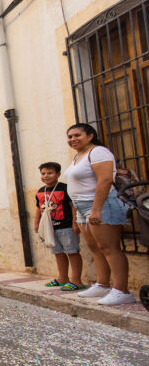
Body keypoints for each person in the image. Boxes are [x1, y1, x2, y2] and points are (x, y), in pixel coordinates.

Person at [64, 123, 133, 305]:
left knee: (109, 248)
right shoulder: (78, 156)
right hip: (82, 207)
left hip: (100, 204)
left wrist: (96, 208)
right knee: (95, 248)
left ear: (90, 136)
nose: (73, 139)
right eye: (70, 137)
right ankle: (102, 284)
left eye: (77, 135)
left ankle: (122, 290)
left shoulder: (99, 152)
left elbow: (105, 180)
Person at [33, 162, 84, 291]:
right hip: (51, 228)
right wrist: (36, 223)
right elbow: (39, 208)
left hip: (66, 226)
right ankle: (62, 278)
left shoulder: (64, 188)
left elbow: (73, 206)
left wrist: (75, 223)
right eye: (43, 173)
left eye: (50, 173)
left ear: (58, 174)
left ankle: (76, 280)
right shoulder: (40, 191)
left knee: (72, 252)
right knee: (58, 253)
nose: (46, 176)